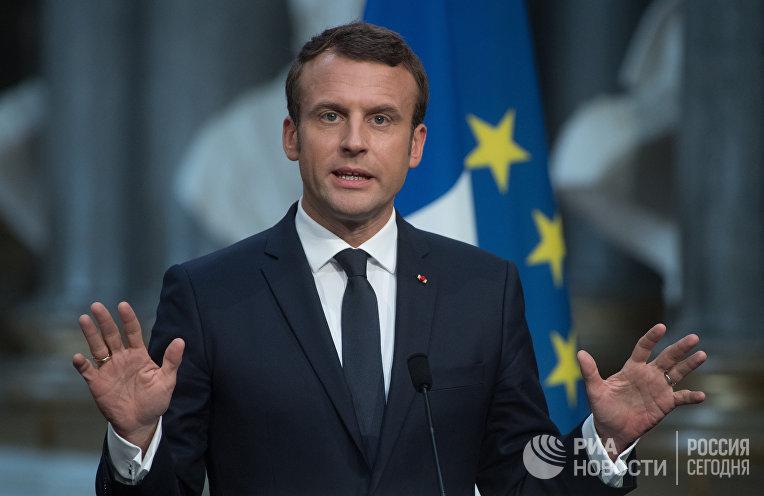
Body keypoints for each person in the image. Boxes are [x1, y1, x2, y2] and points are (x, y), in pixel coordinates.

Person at [73, 22, 707, 495]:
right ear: (292, 136)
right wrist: (136, 440)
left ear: (415, 145)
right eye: (331, 116)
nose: (354, 142)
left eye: (381, 120)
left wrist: (603, 441)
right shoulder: (209, 294)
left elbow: (521, 477)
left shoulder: (483, 290)